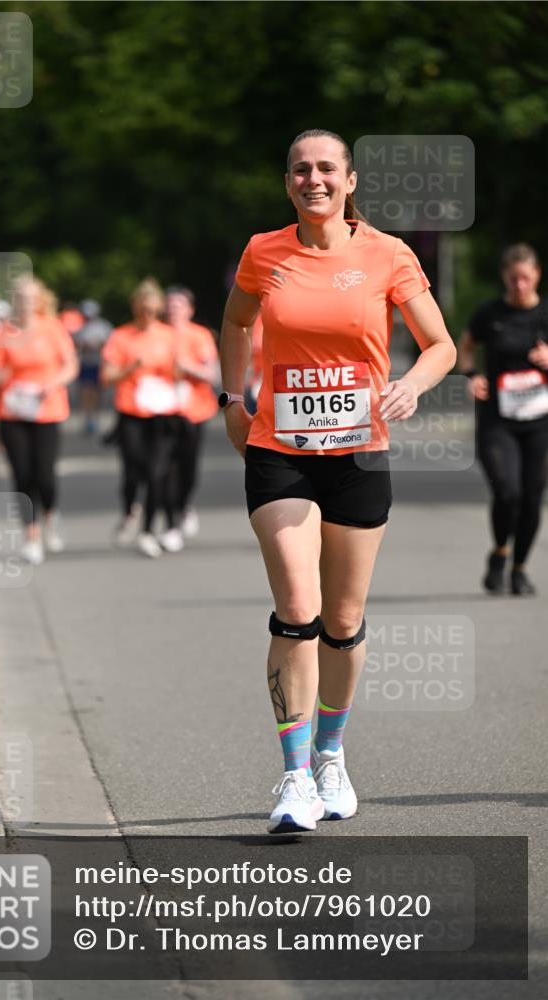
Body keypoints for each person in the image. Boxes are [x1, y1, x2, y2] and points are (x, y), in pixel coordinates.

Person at [219, 129, 456, 834]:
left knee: (343, 622)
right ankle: (293, 778)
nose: (312, 179)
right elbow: (234, 322)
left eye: (326, 169)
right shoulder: (263, 251)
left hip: (357, 454)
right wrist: (233, 398)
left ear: (349, 182)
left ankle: (329, 756)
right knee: (298, 606)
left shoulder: (387, 253)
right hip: (280, 449)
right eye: (299, 169)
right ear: (286, 180)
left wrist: (411, 384)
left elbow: (439, 344)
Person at [458, 244, 548, 596]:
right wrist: (472, 375)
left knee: (532, 496)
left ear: (537, 275)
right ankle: (500, 552)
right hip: (499, 419)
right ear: (504, 278)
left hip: (541, 421)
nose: (520, 285)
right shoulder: (489, 313)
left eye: (526, 278)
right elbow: (465, 346)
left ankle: (520, 569)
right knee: (508, 491)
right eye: (513, 279)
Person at [0, 275, 79, 564]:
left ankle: (50, 514)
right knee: (22, 474)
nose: (25, 302)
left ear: (39, 300)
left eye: (30, 297)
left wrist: (53, 383)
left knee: (45, 475)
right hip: (12, 411)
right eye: (20, 297)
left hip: (47, 409)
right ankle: (31, 535)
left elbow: (70, 365)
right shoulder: (1, 333)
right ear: (13, 300)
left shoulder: (52, 328)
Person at [101, 278, 182, 558]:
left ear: (158, 307)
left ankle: (148, 531)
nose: (147, 313)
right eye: (142, 308)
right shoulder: (122, 336)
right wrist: (130, 369)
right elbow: (107, 376)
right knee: (133, 470)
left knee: (156, 472)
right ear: (135, 307)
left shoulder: (169, 336)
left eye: (151, 308)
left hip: (162, 414)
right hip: (131, 413)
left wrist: (176, 373)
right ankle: (129, 509)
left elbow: (179, 372)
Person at [165, 285, 219, 539]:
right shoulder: (158, 334)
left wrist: (186, 367)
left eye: (178, 306)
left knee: (188, 467)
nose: (173, 310)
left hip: (195, 411)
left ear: (190, 309)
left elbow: (212, 374)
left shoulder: (199, 335)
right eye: (169, 305)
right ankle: (171, 518)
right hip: (162, 411)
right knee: (164, 466)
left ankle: (184, 504)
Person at [74, 299, 112, 435]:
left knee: (96, 393)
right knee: (85, 392)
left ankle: (95, 418)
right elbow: (76, 346)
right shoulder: (80, 328)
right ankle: (87, 419)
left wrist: (100, 345)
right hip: (85, 363)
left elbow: (111, 345)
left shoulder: (104, 326)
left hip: (99, 364)